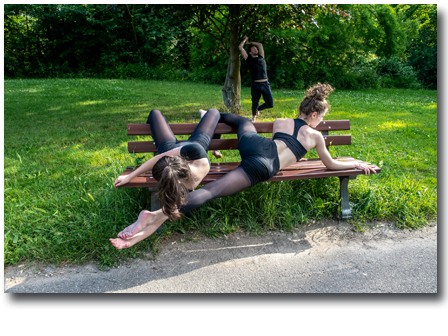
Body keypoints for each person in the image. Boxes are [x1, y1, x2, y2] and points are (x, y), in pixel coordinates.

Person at [110, 83, 376, 249]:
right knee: (211, 191)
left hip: (256, 146)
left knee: (243, 124)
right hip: (263, 164)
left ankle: (210, 115)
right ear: (315, 114)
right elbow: (330, 164)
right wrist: (354, 163)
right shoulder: (315, 136)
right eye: (321, 118)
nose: (320, 122)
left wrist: (295, 153)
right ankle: (156, 216)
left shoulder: (282, 121)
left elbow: (281, 142)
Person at [114, 108, 221, 222]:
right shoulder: (198, 160)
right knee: (214, 112)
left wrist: (129, 176)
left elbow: (157, 159)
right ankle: (204, 117)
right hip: (195, 147)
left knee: (154, 113)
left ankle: (204, 119)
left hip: (171, 148)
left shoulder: (174, 178)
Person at [239, 35, 274, 122]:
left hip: (265, 84)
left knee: (270, 104)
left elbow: (260, 45)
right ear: (250, 52)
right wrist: (245, 40)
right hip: (255, 84)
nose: (256, 49)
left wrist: (250, 42)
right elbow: (240, 47)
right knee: (255, 102)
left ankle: (258, 109)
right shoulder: (248, 59)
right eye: (253, 49)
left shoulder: (262, 57)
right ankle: (254, 117)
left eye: (256, 49)